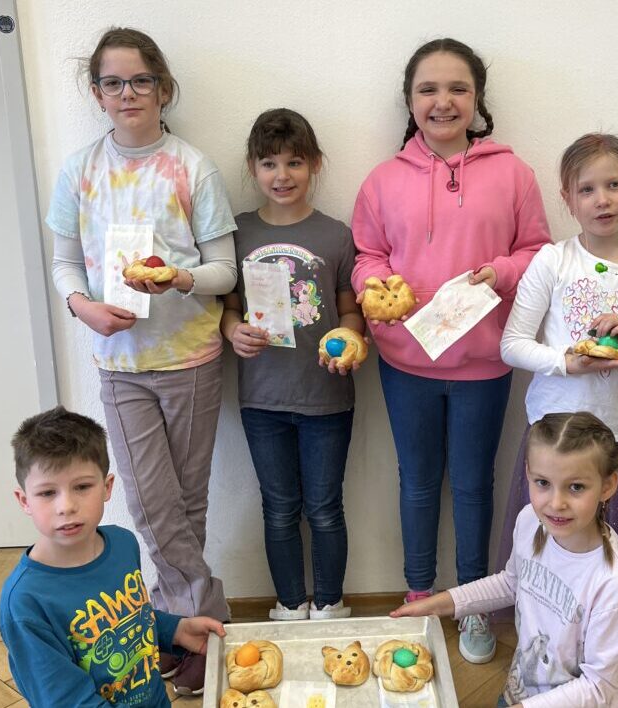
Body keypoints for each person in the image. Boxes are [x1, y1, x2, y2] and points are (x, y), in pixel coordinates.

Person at [47, 27, 236, 693]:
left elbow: (223, 270)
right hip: (120, 363)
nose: (128, 93)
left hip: (192, 358)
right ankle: (206, 622)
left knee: (184, 504)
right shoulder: (80, 170)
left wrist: (180, 279)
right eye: (113, 82)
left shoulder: (193, 166)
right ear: (96, 93)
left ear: (162, 87)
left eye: (140, 80)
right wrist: (82, 306)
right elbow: (65, 259)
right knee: (155, 507)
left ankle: (176, 630)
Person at [351, 37, 550, 663]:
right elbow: (366, 255)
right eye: (428, 90)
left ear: (477, 99)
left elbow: (538, 251)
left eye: (457, 88)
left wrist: (499, 271)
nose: (443, 101)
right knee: (416, 482)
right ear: (410, 102)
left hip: (484, 363)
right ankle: (418, 596)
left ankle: (470, 602)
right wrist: (372, 284)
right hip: (404, 359)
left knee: (471, 485)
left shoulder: (514, 173)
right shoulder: (383, 180)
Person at [499, 133, 618, 656]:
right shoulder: (551, 262)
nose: (602, 199)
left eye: (614, 185)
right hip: (556, 441)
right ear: (568, 198)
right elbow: (512, 344)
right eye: (587, 189)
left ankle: (608, 659)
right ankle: (547, 650)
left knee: (613, 558)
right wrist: (567, 361)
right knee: (550, 552)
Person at [393, 412, 618, 707]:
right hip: (521, 694)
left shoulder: (617, 586)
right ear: (528, 473)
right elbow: (511, 583)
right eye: (543, 483)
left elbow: (597, 688)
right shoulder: (530, 521)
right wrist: (436, 604)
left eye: (576, 487)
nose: (556, 503)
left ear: (607, 486)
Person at [221, 109, 364, 621]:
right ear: (252, 168)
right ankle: (287, 604)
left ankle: (329, 604)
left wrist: (350, 337)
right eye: (269, 163)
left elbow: (350, 307)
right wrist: (231, 332)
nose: (282, 175)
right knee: (278, 508)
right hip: (262, 398)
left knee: (324, 509)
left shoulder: (336, 235)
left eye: (294, 162)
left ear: (315, 165)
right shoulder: (235, 233)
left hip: (327, 398)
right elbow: (229, 308)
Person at [0, 407, 225, 707]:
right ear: (24, 501)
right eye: (47, 493)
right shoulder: (25, 603)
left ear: (106, 487)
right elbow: (68, 701)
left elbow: (128, 621)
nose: (66, 506)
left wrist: (176, 630)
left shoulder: (122, 544)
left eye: (81, 487)